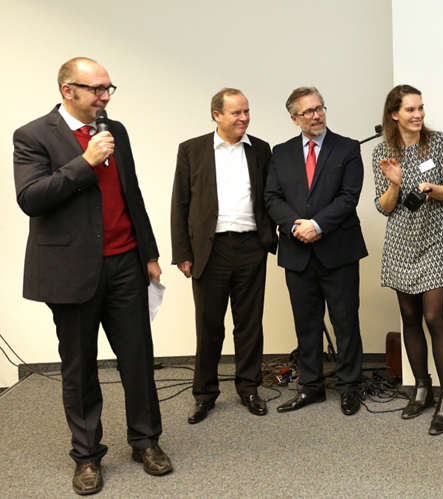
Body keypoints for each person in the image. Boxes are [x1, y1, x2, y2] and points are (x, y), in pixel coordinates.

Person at [13, 57, 171, 495]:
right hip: (71, 269)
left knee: (138, 359)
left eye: (108, 88)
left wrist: (150, 252)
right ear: (68, 90)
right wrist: (85, 161)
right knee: (79, 368)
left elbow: (131, 192)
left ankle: (146, 442)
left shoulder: (115, 130)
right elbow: (31, 198)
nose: (104, 97)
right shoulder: (32, 135)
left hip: (125, 261)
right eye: (96, 89)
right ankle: (86, 456)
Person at [171, 88, 277, 424]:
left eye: (246, 111)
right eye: (236, 113)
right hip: (209, 249)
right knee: (208, 326)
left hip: (250, 248)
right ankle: (204, 395)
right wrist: (182, 253)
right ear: (217, 115)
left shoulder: (261, 149)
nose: (244, 118)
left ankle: (249, 388)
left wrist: (270, 239)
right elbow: (180, 204)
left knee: (249, 324)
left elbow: (269, 197)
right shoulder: (192, 150)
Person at [264, 87, 367, 416]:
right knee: (306, 324)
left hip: (338, 250)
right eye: (307, 111)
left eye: (319, 108)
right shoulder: (280, 153)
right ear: (294, 118)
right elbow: (271, 198)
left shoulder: (347, 148)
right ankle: (311, 387)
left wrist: (317, 225)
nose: (316, 115)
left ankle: (349, 386)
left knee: (345, 322)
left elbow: (349, 197)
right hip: (297, 251)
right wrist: (296, 225)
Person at [373, 84, 443, 435]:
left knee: (433, 316)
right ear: (395, 114)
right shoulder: (383, 150)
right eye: (411, 110)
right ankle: (421, 388)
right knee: (409, 316)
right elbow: (384, 207)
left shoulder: (438, 142)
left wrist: (429, 189)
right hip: (401, 242)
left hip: (436, 237)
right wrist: (394, 183)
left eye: (421, 108)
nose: (418, 114)